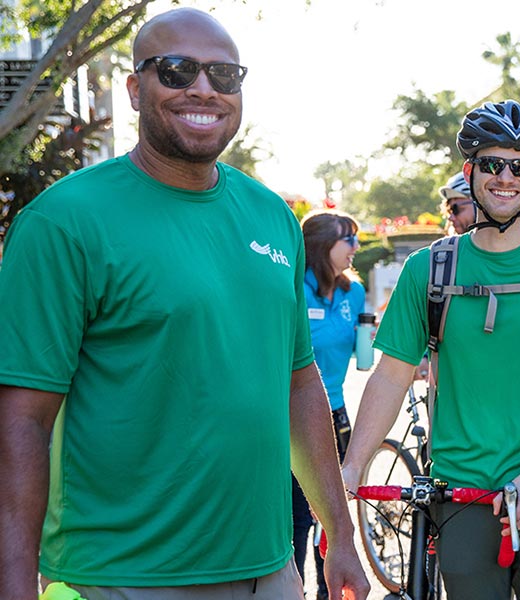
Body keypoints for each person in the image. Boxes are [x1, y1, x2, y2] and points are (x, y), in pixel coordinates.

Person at [0, 8, 369, 600]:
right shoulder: (63, 223)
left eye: (224, 76)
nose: (203, 88)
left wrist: (340, 535)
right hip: (122, 577)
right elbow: (21, 419)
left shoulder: (272, 217)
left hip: (269, 572)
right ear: (134, 90)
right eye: (176, 70)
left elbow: (299, 386)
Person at [342, 100, 520, 600]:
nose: (506, 177)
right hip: (461, 492)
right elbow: (390, 375)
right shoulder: (428, 270)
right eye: (493, 163)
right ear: (469, 171)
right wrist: (353, 465)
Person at [292, 211, 365, 599]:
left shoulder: (354, 292)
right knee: (299, 519)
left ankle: (329, 592)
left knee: (334, 516)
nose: (356, 247)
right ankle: (292, 590)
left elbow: (363, 353)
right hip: (292, 419)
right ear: (322, 246)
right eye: (348, 239)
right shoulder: (292, 288)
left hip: (336, 416)